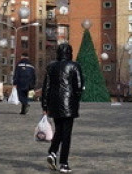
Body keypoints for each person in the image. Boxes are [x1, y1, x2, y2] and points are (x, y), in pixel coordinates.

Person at [42, 43, 84, 174]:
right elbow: (78, 86)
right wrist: (75, 98)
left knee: (59, 130)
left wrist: (44, 105)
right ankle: (63, 163)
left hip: (54, 103)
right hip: (69, 103)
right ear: (70, 52)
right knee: (66, 134)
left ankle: (53, 152)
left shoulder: (51, 67)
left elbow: (46, 87)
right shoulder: (74, 66)